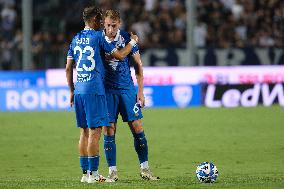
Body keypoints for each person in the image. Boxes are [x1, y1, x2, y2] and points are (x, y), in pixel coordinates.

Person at [65, 6, 138, 183]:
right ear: (96, 20)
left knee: (83, 132)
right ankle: (94, 175)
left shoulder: (75, 39)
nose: (103, 26)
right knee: (95, 132)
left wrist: (72, 91)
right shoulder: (98, 37)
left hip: (80, 89)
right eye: (100, 21)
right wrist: (132, 43)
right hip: (94, 90)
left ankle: (85, 174)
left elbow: (68, 68)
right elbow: (120, 55)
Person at [102, 9, 160, 181]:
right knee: (109, 130)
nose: (110, 29)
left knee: (137, 127)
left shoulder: (126, 37)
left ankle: (145, 169)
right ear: (103, 24)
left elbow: (138, 67)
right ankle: (112, 172)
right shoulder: (99, 39)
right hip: (107, 91)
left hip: (127, 90)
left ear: (119, 24)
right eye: (107, 26)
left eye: (113, 26)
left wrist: (140, 91)